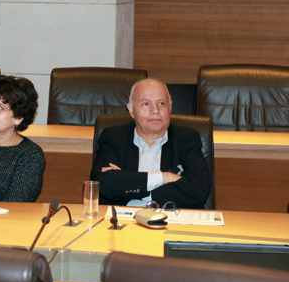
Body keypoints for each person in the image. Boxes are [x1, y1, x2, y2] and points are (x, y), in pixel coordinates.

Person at [90, 78, 210, 209]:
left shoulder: (186, 138)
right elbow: (103, 184)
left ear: (170, 107)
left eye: (161, 103)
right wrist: (164, 177)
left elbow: (199, 191)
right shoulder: (114, 137)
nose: (155, 110)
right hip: (124, 221)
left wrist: (130, 186)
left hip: (173, 218)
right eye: (146, 104)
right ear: (131, 110)